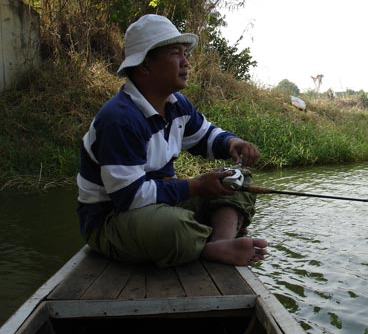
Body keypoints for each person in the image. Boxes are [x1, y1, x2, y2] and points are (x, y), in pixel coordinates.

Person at [76, 14, 267, 267]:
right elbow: (129, 197)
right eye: (175, 53)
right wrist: (195, 187)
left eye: (185, 53)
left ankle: (219, 242)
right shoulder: (120, 119)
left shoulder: (177, 105)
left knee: (239, 179)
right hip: (112, 219)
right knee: (173, 228)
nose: (186, 62)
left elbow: (205, 136)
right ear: (145, 65)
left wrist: (232, 143)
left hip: (159, 202)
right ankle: (209, 245)